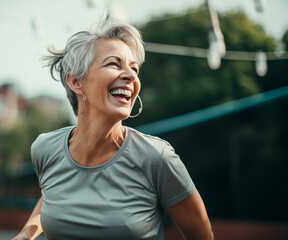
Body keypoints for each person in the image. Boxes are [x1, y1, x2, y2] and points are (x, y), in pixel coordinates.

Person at [12, 17, 213, 240]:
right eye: (113, 64)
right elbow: (54, 194)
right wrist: (25, 234)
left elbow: (202, 236)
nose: (131, 76)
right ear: (76, 81)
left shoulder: (156, 158)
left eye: (134, 68)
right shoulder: (45, 149)